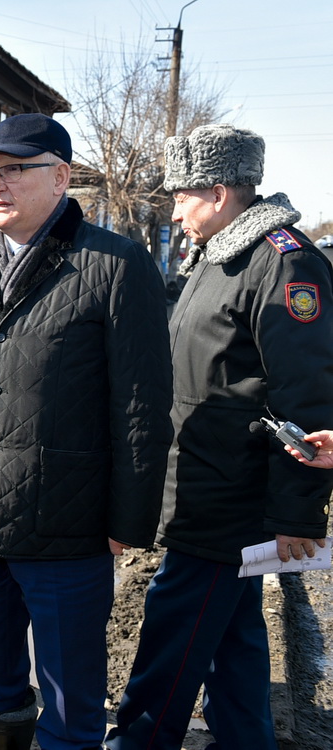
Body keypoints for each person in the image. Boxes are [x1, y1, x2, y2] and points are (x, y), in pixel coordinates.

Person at [0, 113, 174, 750]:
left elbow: (141, 406)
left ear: (60, 177)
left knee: (68, 698)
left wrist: (128, 521)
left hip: (69, 531)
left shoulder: (115, 266)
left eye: (13, 170)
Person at [106, 124, 333, 750]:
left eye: (181, 196)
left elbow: (305, 399)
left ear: (218, 190)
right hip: (201, 483)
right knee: (233, 645)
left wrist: (297, 513)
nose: (174, 210)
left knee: (170, 642)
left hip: (227, 499)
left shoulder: (284, 262)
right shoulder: (218, 256)